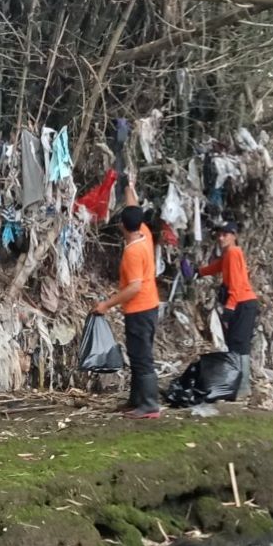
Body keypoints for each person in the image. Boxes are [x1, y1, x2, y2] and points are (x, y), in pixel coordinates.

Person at [94, 180, 161, 419]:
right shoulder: (144, 234)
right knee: (136, 354)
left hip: (139, 309)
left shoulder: (133, 252)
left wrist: (106, 305)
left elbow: (133, 287)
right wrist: (129, 188)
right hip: (150, 306)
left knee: (141, 356)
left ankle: (150, 405)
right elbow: (135, 210)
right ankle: (137, 400)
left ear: (122, 226)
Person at [195, 221, 259, 398]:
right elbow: (217, 267)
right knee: (234, 344)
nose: (221, 238)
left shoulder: (232, 252)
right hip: (241, 302)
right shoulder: (229, 254)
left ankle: (243, 388)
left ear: (234, 236)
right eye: (219, 234)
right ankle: (239, 385)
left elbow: (237, 285)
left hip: (242, 303)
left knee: (239, 345)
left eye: (225, 234)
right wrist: (199, 271)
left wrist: (229, 308)